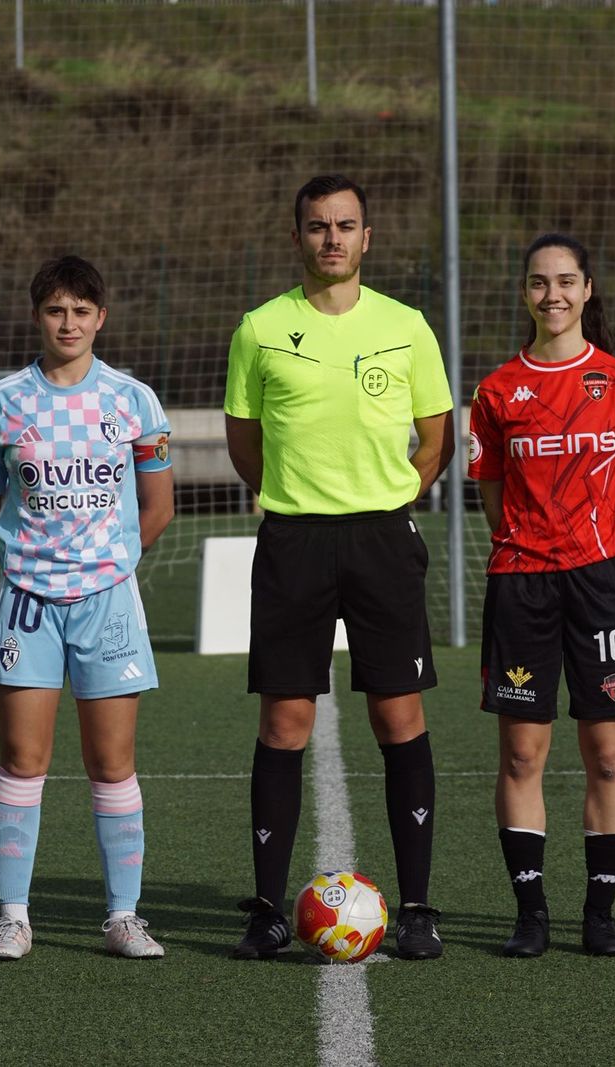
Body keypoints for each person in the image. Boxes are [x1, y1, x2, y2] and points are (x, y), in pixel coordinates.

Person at [224, 174, 455, 960]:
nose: (332, 238)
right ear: (298, 237)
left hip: (382, 542)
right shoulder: (260, 329)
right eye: (319, 226)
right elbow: (244, 443)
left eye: (346, 225)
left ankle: (417, 907)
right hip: (294, 542)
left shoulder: (406, 326)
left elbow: (436, 437)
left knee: (399, 716)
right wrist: (299, 500)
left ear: (367, 237)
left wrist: (388, 499)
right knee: (285, 722)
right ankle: (267, 908)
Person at [0, 255, 174, 961]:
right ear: (37, 317)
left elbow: (158, 505)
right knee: (23, 758)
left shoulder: (135, 401)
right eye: (56, 310)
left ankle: (123, 917)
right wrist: (30, 558)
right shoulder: (3, 401)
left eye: (82, 311)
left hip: (108, 602)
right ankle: (13, 918)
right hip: (28, 602)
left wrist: (107, 564)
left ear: (101, 317)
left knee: (112, 761)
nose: (69, 323)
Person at [468, 234, 615, 959]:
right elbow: (492, 494)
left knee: (608, 753)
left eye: (567, 281)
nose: (554, 295)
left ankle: (601, 914)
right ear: (525, 292)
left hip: (603, 583)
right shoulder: (495, 392)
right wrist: (534, 549)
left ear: (587, 289)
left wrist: (605, 555)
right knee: (523, 753)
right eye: (540, 282)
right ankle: (531, 913)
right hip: (523, 583)